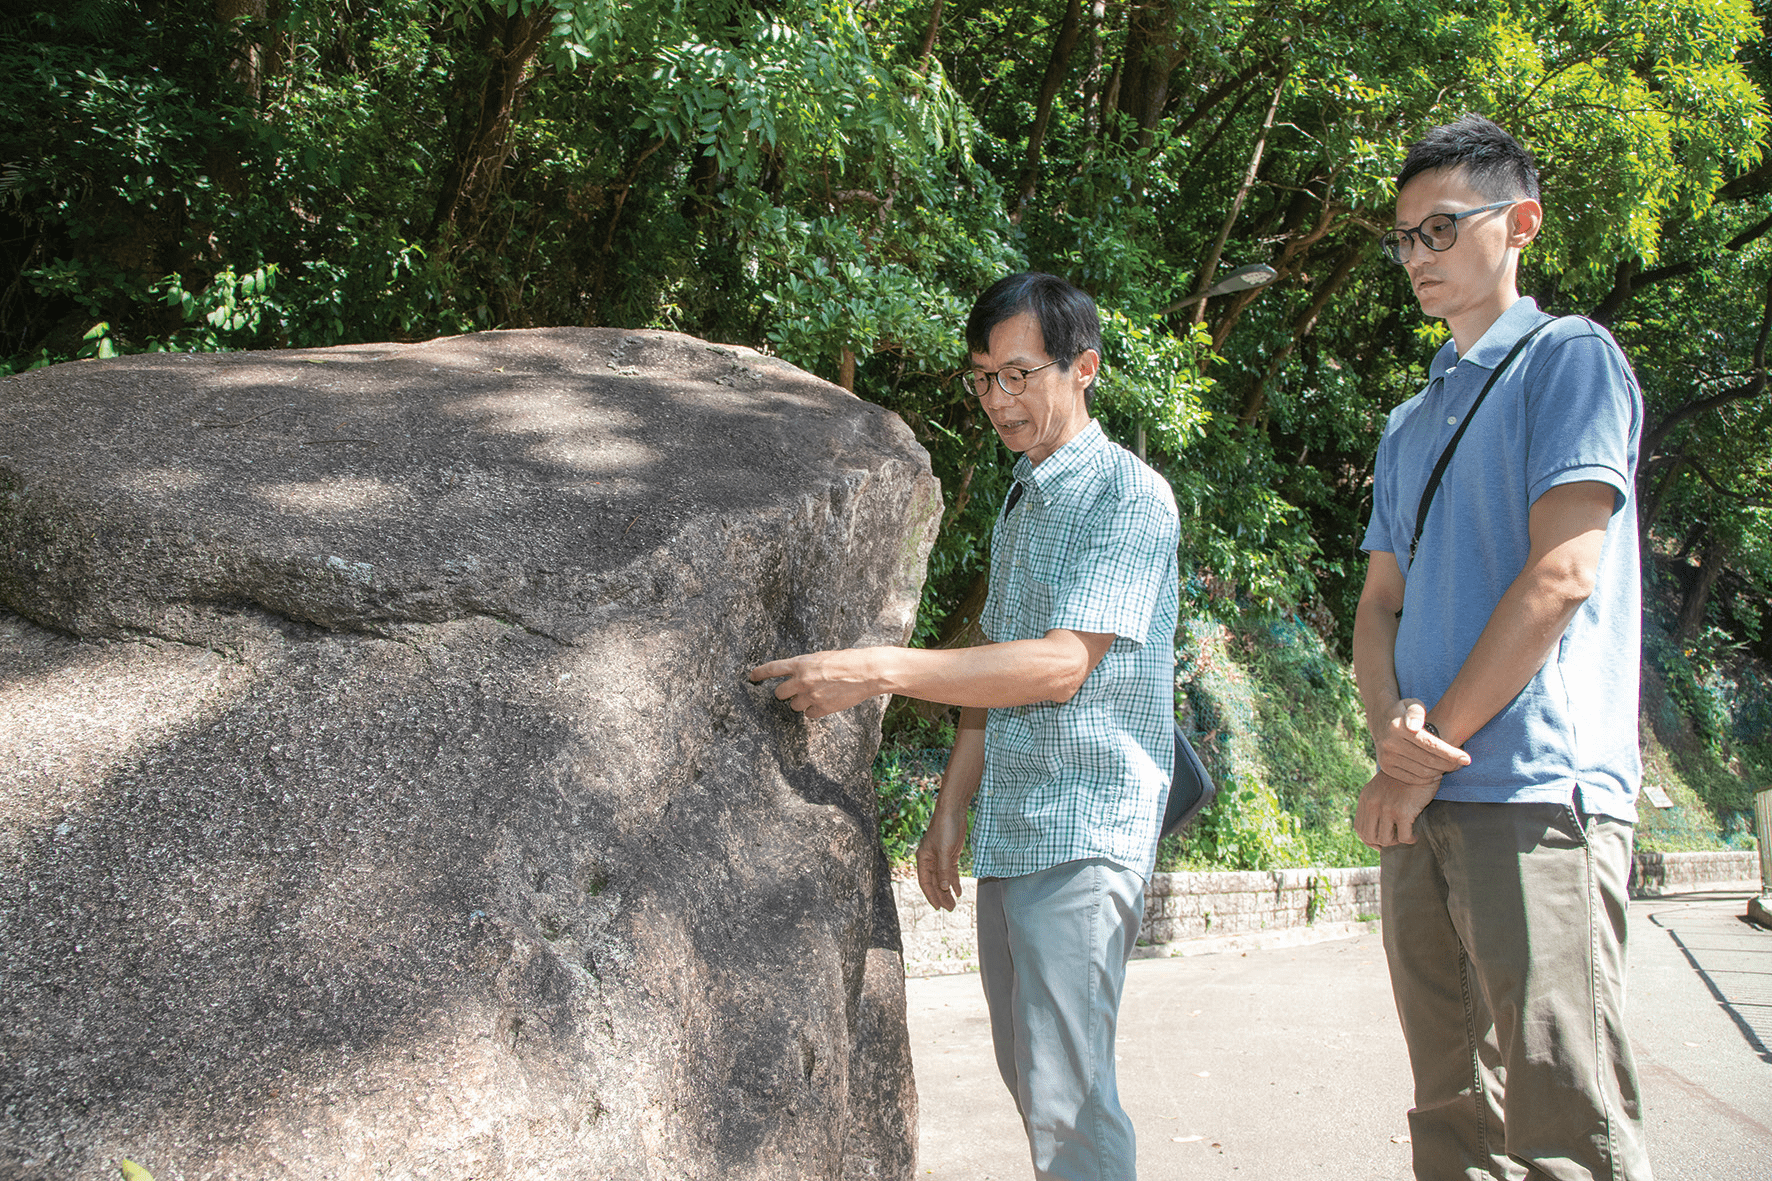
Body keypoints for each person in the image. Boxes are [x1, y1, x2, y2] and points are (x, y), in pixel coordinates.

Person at [749, 271, 1178, 1181]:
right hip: (1014, 831)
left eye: (1019, 374)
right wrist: (952, 807)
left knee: (1069, 1100)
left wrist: (877, 668)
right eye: (984, 377)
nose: (998, 398)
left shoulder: (1129, 498)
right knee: (1032, 1079)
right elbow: (995, 656)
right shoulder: (1023, 497)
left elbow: (1059, 665)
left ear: (1084, 368)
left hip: (1087, 826)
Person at [1352, 114, 1652, 1180]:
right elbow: (1377, 605)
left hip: (1534, 792)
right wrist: (1390, 735)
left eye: (1440, 228)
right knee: (1448, 1110)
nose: (1417, 256)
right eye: (1405, 238)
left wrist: (1422, 748)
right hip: (1421, 798)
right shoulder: (1408, 420)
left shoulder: (1567, 360)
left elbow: (1560, 575)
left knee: (1563, 1119)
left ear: (1519, 223)